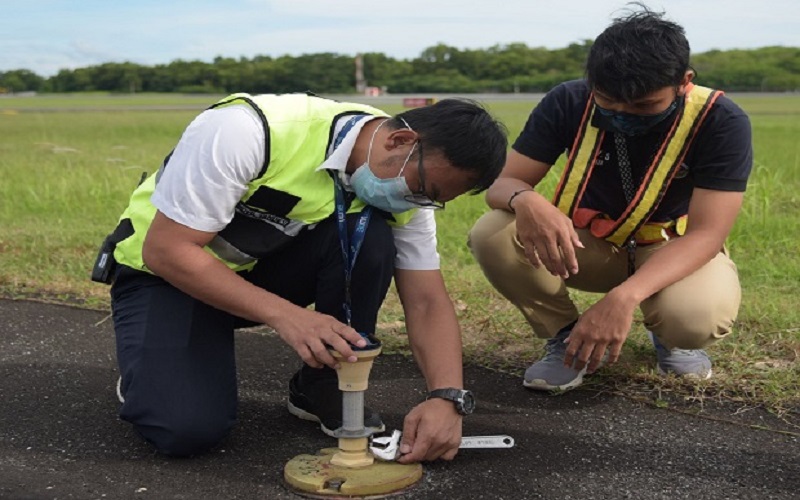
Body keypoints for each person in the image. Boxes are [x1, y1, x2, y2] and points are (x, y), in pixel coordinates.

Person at [95, 92, 507, 460]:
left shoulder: (408, 187)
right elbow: (167, 249)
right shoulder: (247, 129)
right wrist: (289, 316)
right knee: (184, 430)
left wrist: (448, 398)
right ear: (400, 141)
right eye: (423, 187)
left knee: (373, 237)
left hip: (257, 276)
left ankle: (323, 384)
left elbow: (426, 300)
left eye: (431, 200)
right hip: (166, 275)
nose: (415, 201)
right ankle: (149, 370)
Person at [468, 5, 752, 392]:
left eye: (643, 106)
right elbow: (504, 182)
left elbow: (707, 234)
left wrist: (623, 299)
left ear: (684, 81)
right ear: (591, 83)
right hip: (589, 242)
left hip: (670, 246)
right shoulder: (568, 101)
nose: (622, 114)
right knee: (494, 232)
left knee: (695, 318)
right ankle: (567, 337)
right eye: (608, 101)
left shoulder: (720, 121)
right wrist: (526, 199)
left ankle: (668, 336)